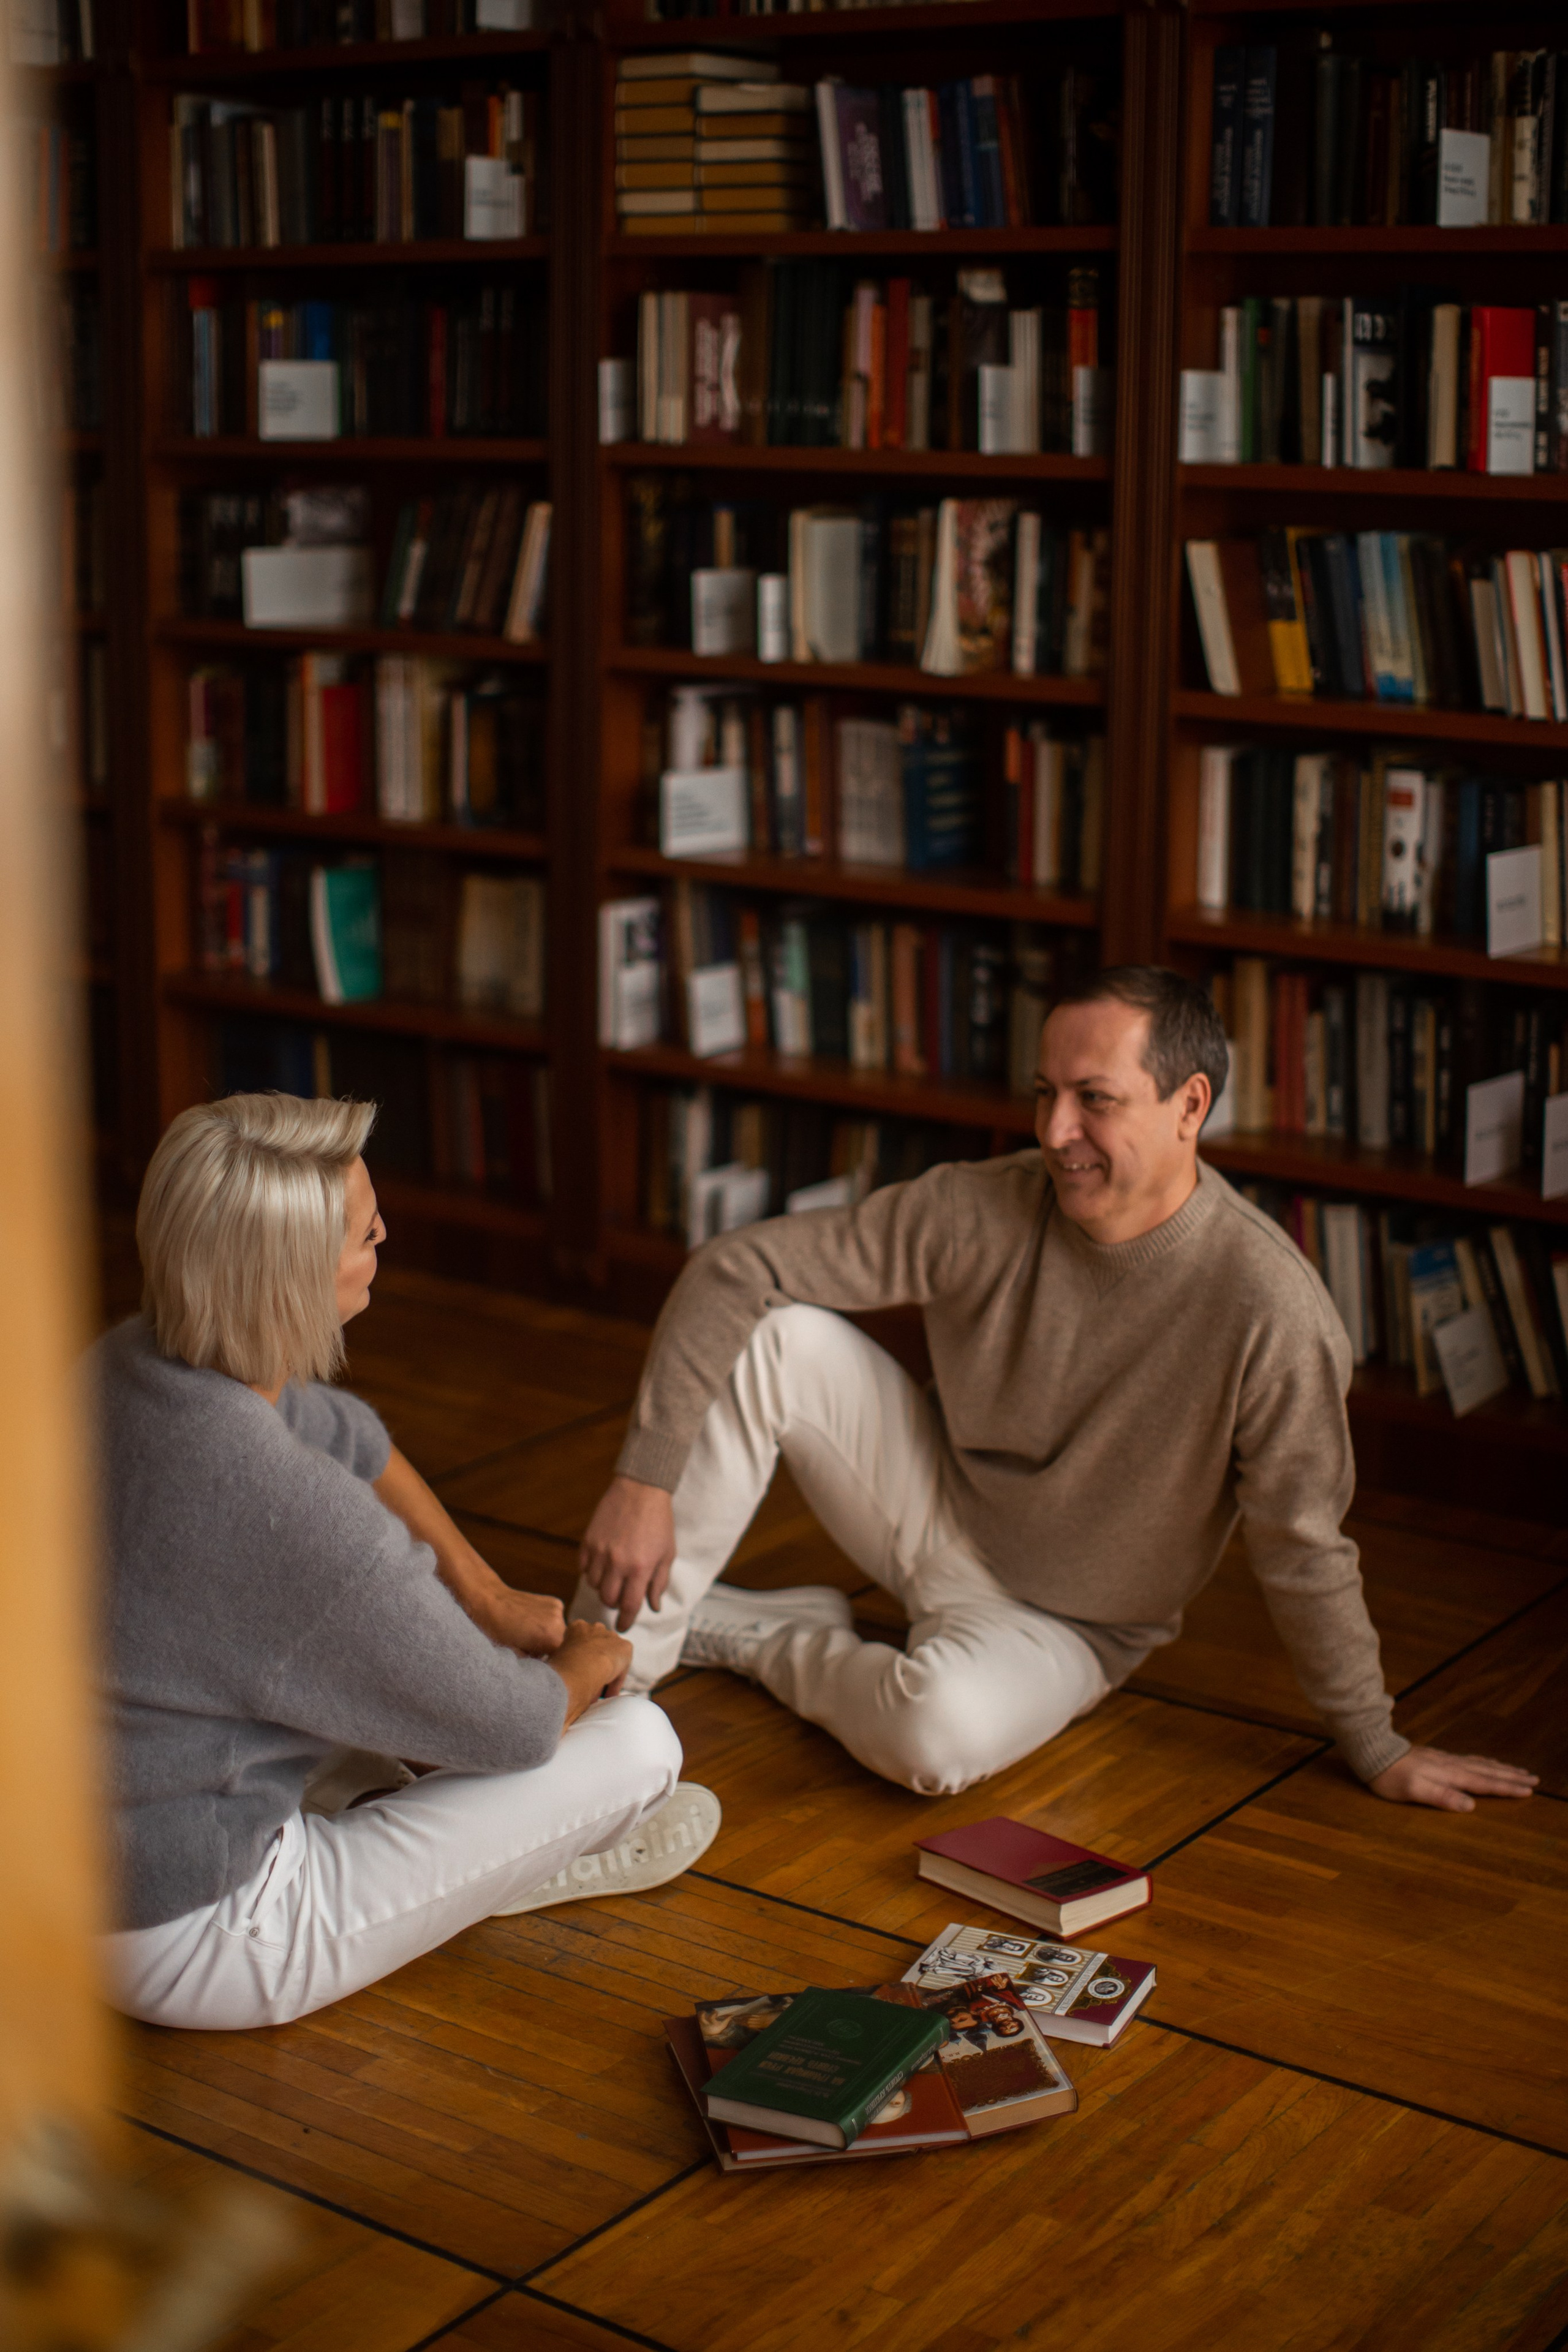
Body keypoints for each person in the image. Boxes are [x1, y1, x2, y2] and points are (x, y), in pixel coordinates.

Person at [573, 967, 1537, 1818]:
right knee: (777, 1336)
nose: (1055, 1132)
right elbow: (734, 1269)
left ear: (1189, 1106)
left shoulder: (1271, 1311)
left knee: (933, 1740)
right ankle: (600, 1707)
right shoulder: (981, 1204)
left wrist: (1374, 1740)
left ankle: (773, 1641)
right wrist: (642, 1480)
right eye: (1045, 1093)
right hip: (936, 1508)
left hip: (1073, 1627)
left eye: (1095, 1099)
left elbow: (1304, 1544)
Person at [96, 1092, 718, 2033]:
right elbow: (516, 1724)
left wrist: (486, 1595)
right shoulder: (291, 1513)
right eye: (360, 1229)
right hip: (194, 1932)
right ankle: (502, 1867)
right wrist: (592, 1658)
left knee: (368, 1697)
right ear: (287, 1282)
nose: (384, 1228)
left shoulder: (126, 1364)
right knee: (641, 1745)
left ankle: (436, 1839)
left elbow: (345, 1431)